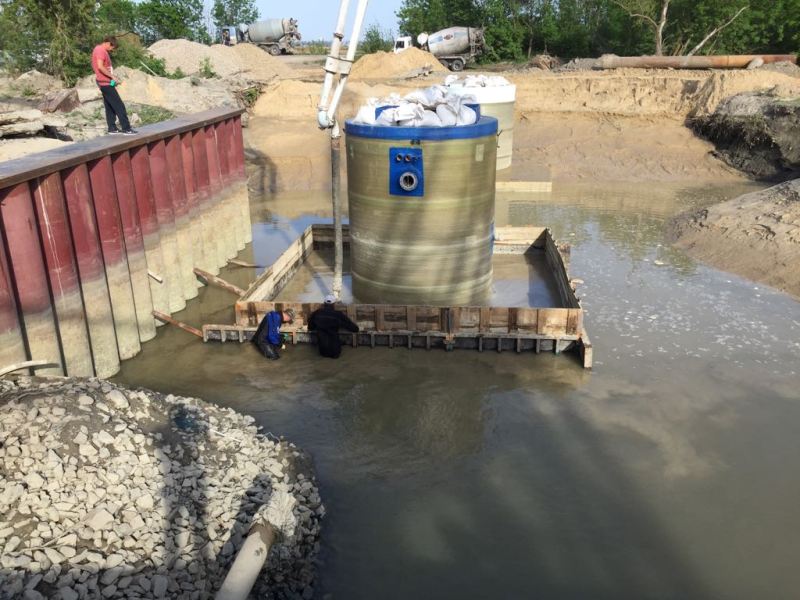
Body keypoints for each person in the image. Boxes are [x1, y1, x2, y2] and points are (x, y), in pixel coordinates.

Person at [91, 36, 137, 136]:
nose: (112, 50)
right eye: (112, 47)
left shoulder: (101, 50)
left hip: (107, 82)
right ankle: (126, 129)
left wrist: (113, 80)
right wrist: (112, 76)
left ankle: (112, 128)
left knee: (109, 106)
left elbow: (106, 68)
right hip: (105, 83)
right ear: (108, 43)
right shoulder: (100, 50)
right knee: (119, 105)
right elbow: (100, 67)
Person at [308, 295, 359, 359]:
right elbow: (355, 329)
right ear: (334, 304)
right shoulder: (338, 314)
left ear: (324, 303)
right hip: (335, 352)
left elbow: (310, 327)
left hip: (322, 352)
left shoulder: (317, 313)